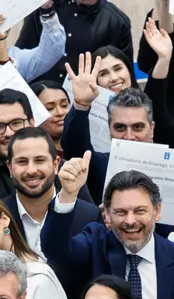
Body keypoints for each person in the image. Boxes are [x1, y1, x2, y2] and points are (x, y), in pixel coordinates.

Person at [41, 167, 174, 299]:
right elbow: (55, 249)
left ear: (157, 211)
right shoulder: (94, 244)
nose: (130, 221)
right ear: (107, 215)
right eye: (121, 212)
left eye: (139, 211)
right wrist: (67, 195)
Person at [62, 62, 157, 203]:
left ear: (152, 128)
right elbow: (76, 147)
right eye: (120, 128)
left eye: (137, 127)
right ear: (109, 130)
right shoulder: (99, 165)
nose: (129, 137)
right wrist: (81, 106)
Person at [4, 128, 101, 260]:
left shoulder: (89, 216)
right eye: (22, 162)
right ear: (10, 168)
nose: (31, 170)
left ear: (56, 165)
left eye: (39, 160)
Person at [17, 0, 133, 85]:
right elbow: (21, 55)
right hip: (40, 96)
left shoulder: (117, 21)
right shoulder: (44, 7)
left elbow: (126, 73)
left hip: (85, 100)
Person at [31, 80, 71, 152]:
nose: (60, 112)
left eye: (64, 105)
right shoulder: (31, 154)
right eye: (50, 108)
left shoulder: (81, 148)